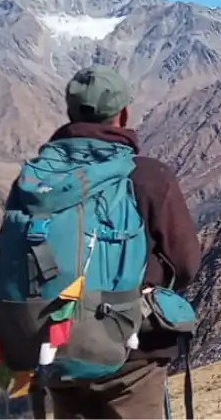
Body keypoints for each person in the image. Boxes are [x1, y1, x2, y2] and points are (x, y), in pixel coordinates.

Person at [42, 65, 202, 419]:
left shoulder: (43, 180)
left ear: (70, 113)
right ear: (123, 114)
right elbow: (186, 264)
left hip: (61, 351)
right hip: (134, 358)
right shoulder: (149, 176)